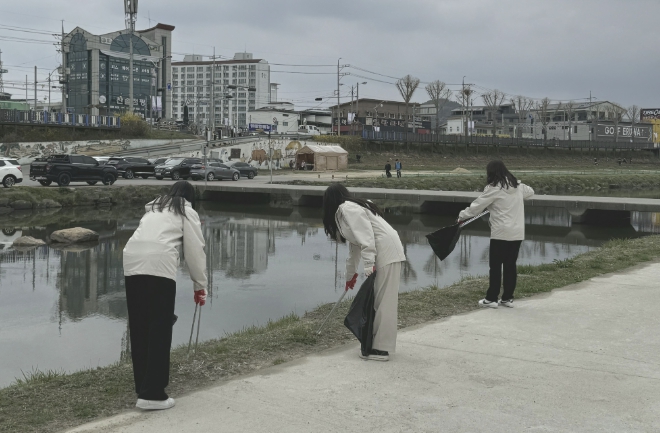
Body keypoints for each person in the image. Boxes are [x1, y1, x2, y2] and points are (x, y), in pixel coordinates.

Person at [123, 181, 208, 410]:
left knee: (140, 326)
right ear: (190, 198)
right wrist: (200, 285)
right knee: (159, 328)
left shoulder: (153, 209)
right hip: (159, 264)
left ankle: (142, 386)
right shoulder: (186, 211)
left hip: (131, 261)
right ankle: (153, 395)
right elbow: (195, 251)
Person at [322, 184, 406, 361]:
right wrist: (350, 275)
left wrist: (368, 264)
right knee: (379, 300)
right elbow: (355, 247)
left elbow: (366, 237)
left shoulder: (347, 209)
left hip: (386, 251)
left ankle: (381, 350)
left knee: (384, 302)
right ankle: (375, 344)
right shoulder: (351, 208)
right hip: (385, 250)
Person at [457, 161, 534, 309]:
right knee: (510, 265)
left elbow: (477, 206)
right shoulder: (518, 187)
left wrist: (462, 216)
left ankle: (491, 298)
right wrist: (517, 185)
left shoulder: (493, 188)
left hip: (501, 233)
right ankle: (507, 298)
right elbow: (531, 192)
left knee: (495, 266)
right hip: (517, 233)